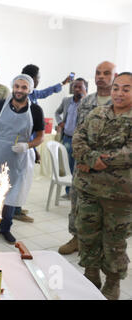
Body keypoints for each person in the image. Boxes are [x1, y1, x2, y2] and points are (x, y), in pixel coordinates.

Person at [72, 72, 131, 300]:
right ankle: (91, 274)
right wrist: (88, 157)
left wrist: (94, 162)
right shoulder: (97, 112)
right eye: (116, 88)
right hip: (88, 190)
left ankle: (113, 282)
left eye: (126, 89)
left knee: (114, 241)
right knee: (87, 235)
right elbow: (78, 137)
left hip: (120, 195)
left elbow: (128, 153)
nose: (119, 93)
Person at [0, 74, 45, 244]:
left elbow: (41, 137)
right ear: (13, 87)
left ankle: (6, 228)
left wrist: (27, 145)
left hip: (19, 156)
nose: (19, 90)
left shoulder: (35, 110)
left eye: (24, 87)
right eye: (17, 86)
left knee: (12, 191)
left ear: (30, 90)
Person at [58, 61, 116, 255]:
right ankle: (76, 238)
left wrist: (99, 161)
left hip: (108, 169)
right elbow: (78, 133)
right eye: (98, 73)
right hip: (83, 166)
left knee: (105, 209)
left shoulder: (121, 103)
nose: (101, 76)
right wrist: (83, 159)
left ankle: (101, 246)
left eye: (106, 73)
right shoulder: (86, 101)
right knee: (78, 202)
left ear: (114, 77)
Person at [13, 64, 72, 223]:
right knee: (18, 179)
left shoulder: (32, 94)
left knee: (23, 179)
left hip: (28, 145)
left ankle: (16, 207)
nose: (39, 80)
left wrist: (62, 83)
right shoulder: (19, 98)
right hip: (20, 146)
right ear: (32, 79)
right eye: (38, 77)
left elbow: (46, 92)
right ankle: (13, 210)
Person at [54, 78, 87, 194]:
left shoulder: (87, 103)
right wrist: (59, 122)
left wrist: (84, 98)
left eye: (80, 87)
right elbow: (57, 112)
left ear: (85, 89)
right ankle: (68, 191)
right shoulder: (66, 100)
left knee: (77, 166)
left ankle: (76, 191)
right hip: (67, 138)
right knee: (67, 166)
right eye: (75, 87)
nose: (77, 89)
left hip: (80, 141)